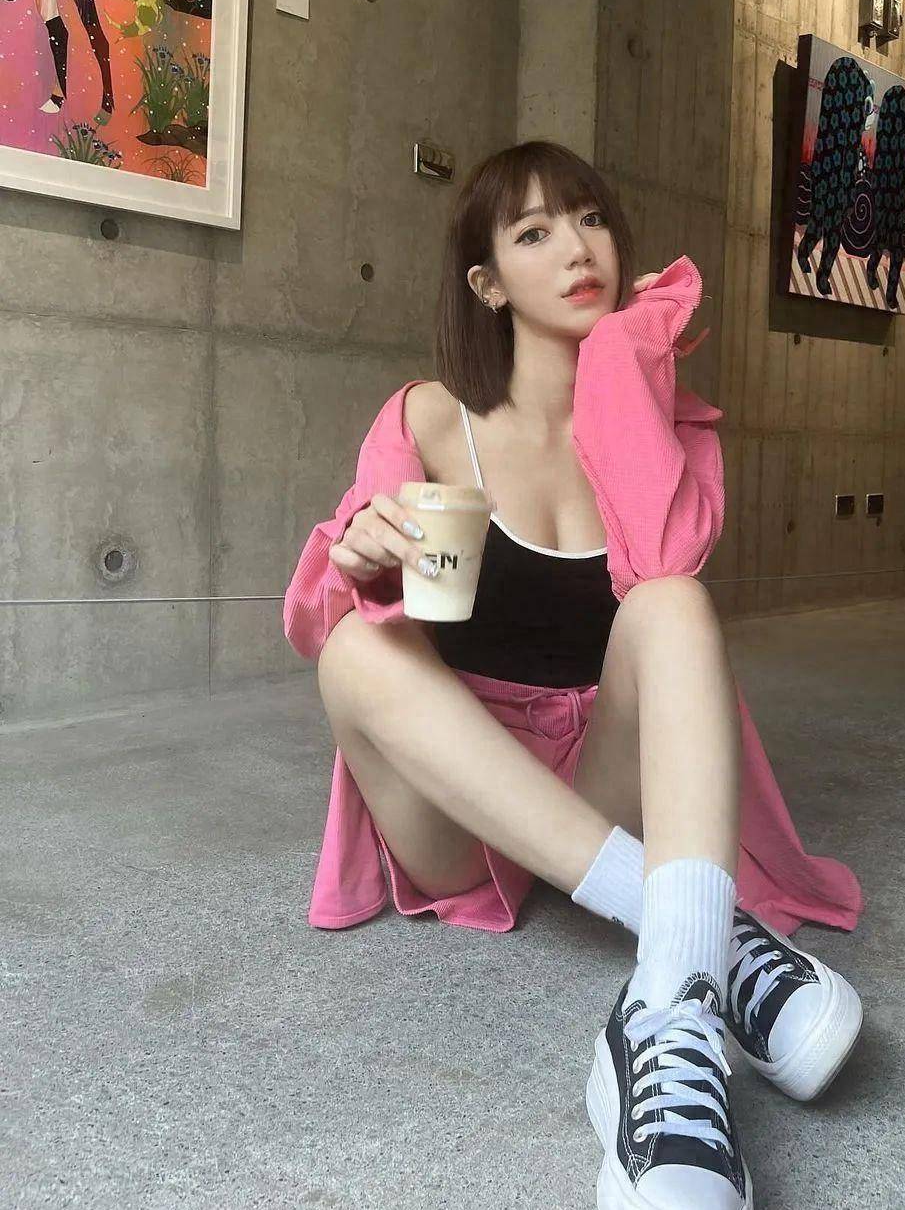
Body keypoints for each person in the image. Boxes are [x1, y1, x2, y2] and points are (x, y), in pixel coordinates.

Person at [284, 140, 865, 1209]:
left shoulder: (658, 421)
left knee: (673, 603)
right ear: (488, 283)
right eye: (535, 231)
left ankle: (669, 1011)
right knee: (355, 649)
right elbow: (320, 610)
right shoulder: (426, 416)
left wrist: (627, 372)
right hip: (460, 803)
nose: (577, 248)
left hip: (594, 777)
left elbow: (667, 558)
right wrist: (362, 553)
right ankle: (700, 932)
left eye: (591, 218)